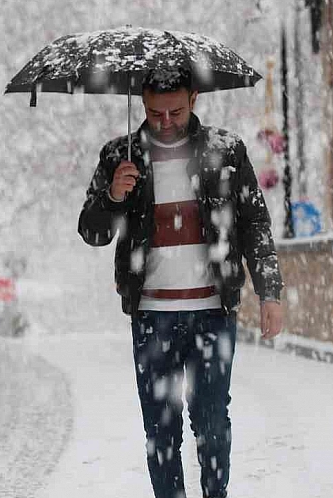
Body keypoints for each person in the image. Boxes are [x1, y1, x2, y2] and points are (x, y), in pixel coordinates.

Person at [77, 66, 284, 498]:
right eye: (155, 113)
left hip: (213, 310)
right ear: (143, 104)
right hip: (153, 315)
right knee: (160, 426)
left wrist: (270, 291)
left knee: (211, 423)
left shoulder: (226, 151)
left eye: (174, 111)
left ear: (193, 100)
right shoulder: (121, 156)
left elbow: (254, 224)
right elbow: (92, 232)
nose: (165, 122)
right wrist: (113, 196)